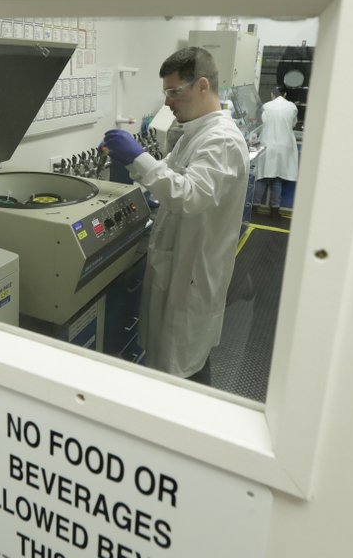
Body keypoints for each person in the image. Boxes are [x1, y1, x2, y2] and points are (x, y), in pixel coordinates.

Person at [102, 47, 249, 385]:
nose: (167, 102)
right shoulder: (194, 133)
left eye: (173, 92)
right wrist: (134, 165)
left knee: (184, 372)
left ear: (201, 85)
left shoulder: (221, 140)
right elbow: (169, 175)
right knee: (172, 364)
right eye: (165, 93)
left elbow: (190, 195)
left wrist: (137, 157)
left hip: (193, 278)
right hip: (178, 267)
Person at [253, 86, 299, 217]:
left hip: (267, 144)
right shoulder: (292, 107)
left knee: (262, 176)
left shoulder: (266, 106)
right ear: (284, 94)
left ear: (272, 94)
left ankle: (254, 207)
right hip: (284, 146)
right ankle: (275, 210)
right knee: (277, 178)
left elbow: (261, 123)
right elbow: (293, 124)